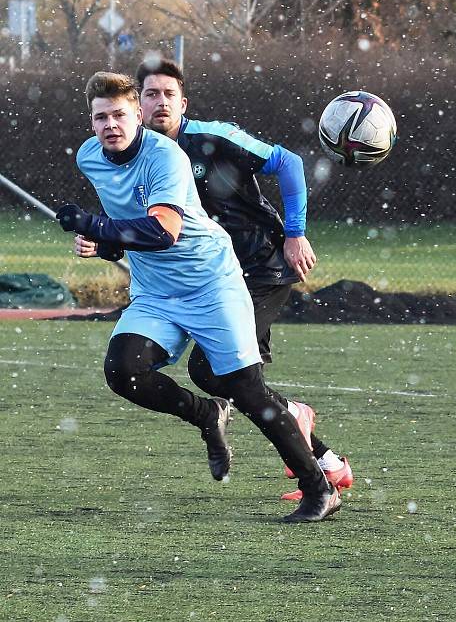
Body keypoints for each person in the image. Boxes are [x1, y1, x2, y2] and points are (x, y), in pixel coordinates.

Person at [58, 71, 341, 522]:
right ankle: (206, 415)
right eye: (100, 117)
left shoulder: (166, 157)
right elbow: (129, 222)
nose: (110, 124)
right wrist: (105, 242)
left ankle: (318, 487)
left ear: (137, 116)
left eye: (119, 115)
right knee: (123, 370)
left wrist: (95, 226)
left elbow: (164, 232)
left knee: (245, 389)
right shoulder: (91, 157)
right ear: (90, 122)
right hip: (156, 291)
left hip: (211, 283)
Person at [131, 57, 353, 502]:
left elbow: (287, 163)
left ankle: (312, 461)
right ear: (137, 105)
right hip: (208, 281)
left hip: (261, 269)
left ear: (183, 102)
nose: (160, 103)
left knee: (216, 372)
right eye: (151, 94)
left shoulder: (212, 138)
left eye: (168, 94)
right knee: (222, 377)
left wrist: (295, 233)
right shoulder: (136, 155)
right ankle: (324, 460)